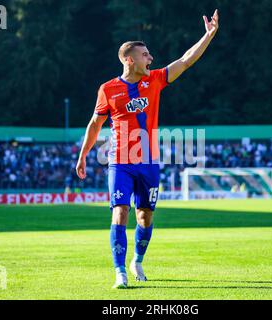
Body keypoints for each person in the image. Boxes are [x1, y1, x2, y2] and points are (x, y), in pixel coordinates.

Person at [76, 9, 219, 289]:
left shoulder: (153, 80)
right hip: (120, 160)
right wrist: (83, 154)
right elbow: (95, 123)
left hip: (149, 161)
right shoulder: (108, 89)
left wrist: (208, 35)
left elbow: (185, 62)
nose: (151, 58)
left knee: (145, 216)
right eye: (146, 55)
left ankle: (137, 260)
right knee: (120, 211)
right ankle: (119, 271)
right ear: (130, 59)